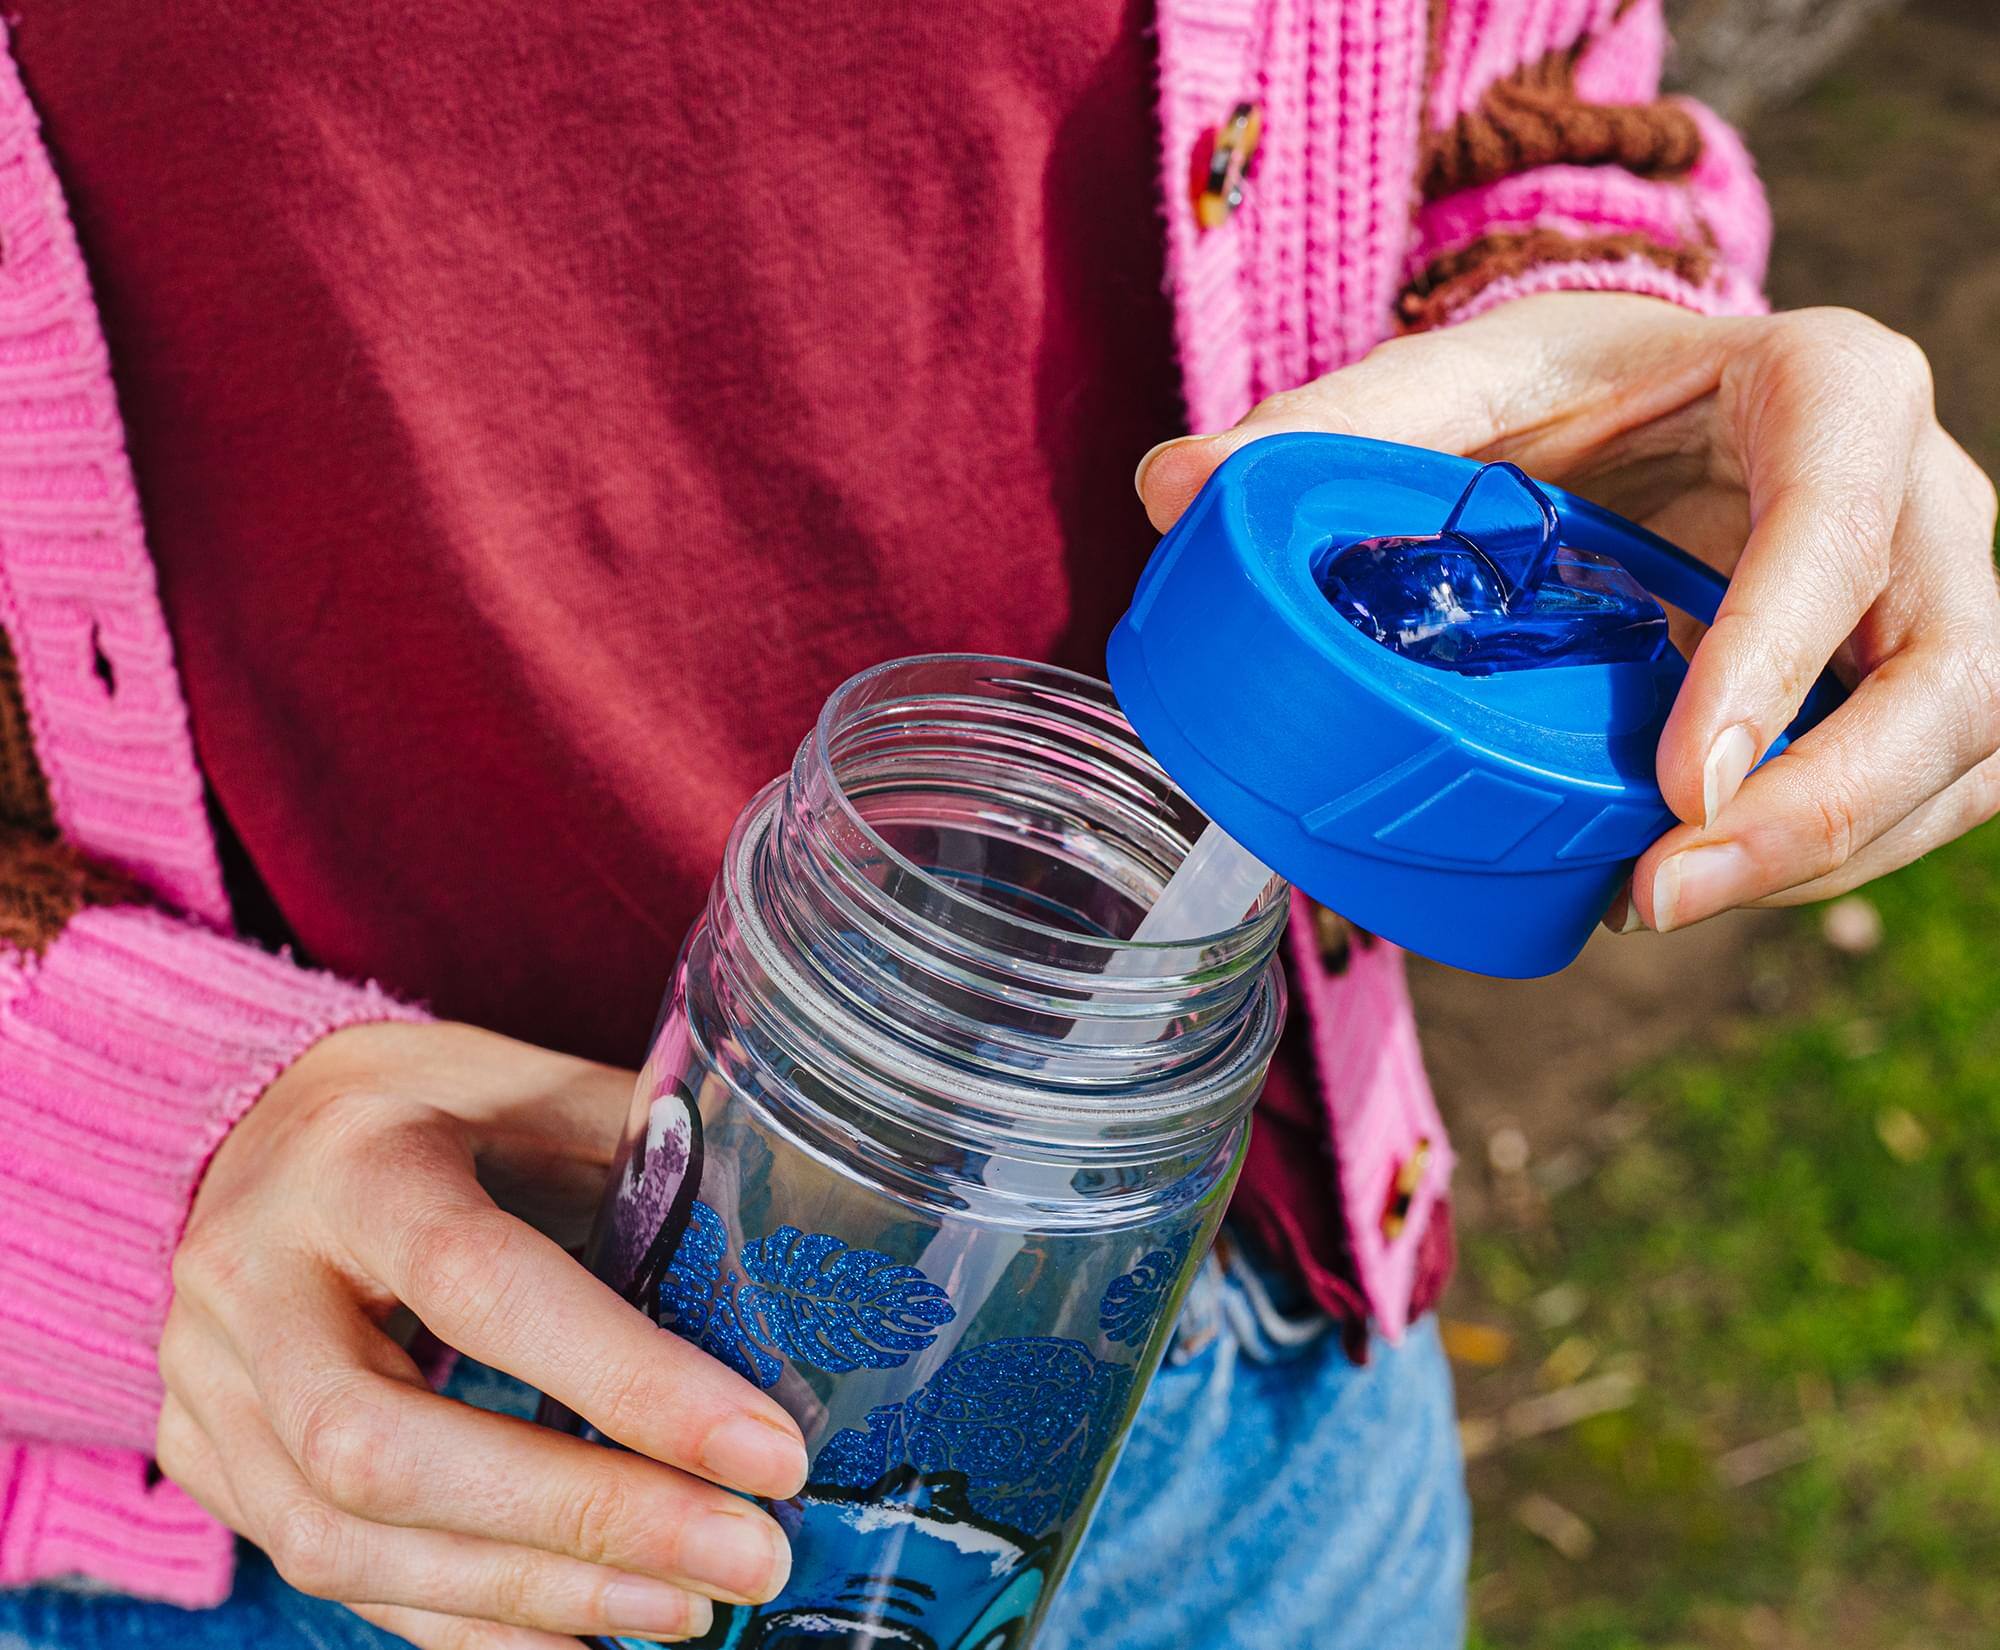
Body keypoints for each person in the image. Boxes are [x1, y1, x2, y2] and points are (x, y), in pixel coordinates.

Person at [0, 3, 1993, 1648]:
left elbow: (1500, 74)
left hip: (1240, 1410)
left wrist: (1608, 389)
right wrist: (118, 1167)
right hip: (309, 1469)